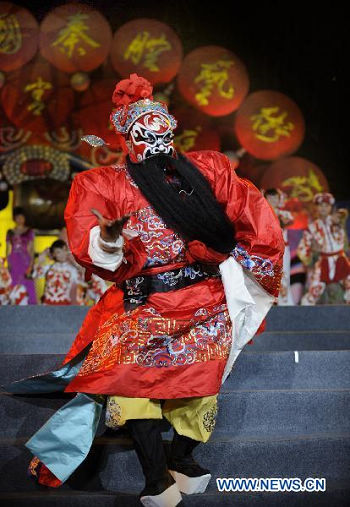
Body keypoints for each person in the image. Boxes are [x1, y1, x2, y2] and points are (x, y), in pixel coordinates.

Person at [4, 74, 284, 507]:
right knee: (130, 383)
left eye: (161, 131)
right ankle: (154, 476)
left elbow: (252, 217)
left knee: (202, 384)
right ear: (127, 139)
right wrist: (111, 239)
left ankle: (181, 459)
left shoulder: (206, 169)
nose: (156, 141)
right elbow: (88, 243)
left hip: (205, 300)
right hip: (143, 300)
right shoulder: (103, 184)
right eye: (144, 134)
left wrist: (234, 264)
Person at [298, 192, 350, 305]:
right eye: (320, 205)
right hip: (323, 262)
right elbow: (303, 249)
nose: (323, 208)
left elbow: (345, 244)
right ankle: (303, 315)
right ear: (316, 207)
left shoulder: (338, 221)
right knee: (314, 291)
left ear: (330, 207)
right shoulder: (312, 228)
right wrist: (312, 252)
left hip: (341, 260)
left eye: (326, 205)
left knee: (348, 285)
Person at [264, 188, 294, 305]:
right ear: (265, 199)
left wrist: (280, 218)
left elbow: (290, 220)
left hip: (283, 250)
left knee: (284, 274)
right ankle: (271, 302)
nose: (273, 200)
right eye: (270, 198)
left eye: (275, 198)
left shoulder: (284, 214)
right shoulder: (262, 213)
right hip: (268, 250)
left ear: (279, 199)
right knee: (269, 274)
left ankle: (285, 302)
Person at [33, 239, 82, 305]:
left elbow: (84, 281)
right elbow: (34, 275)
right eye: (58, 252)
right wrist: (40, 259)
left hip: (64, 305)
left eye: (64, 251)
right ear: (53, 255)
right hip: (47, 304)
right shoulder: (48, 268)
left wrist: (75, 263)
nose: (62, 254)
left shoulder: (72, 270)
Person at [6, 206, 36, 304]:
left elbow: (31, 249)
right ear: (14, 218)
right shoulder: (10, 232)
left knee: (27, 280)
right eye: (18, 217)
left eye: (22, 217)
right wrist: (8, 262)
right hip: (13, 260)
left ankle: (30, 304)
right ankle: (13, 303)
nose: (20, 219)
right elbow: (7, 249)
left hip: (25, 260)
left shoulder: (29, 231)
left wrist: (31, 264)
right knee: (12, 281)